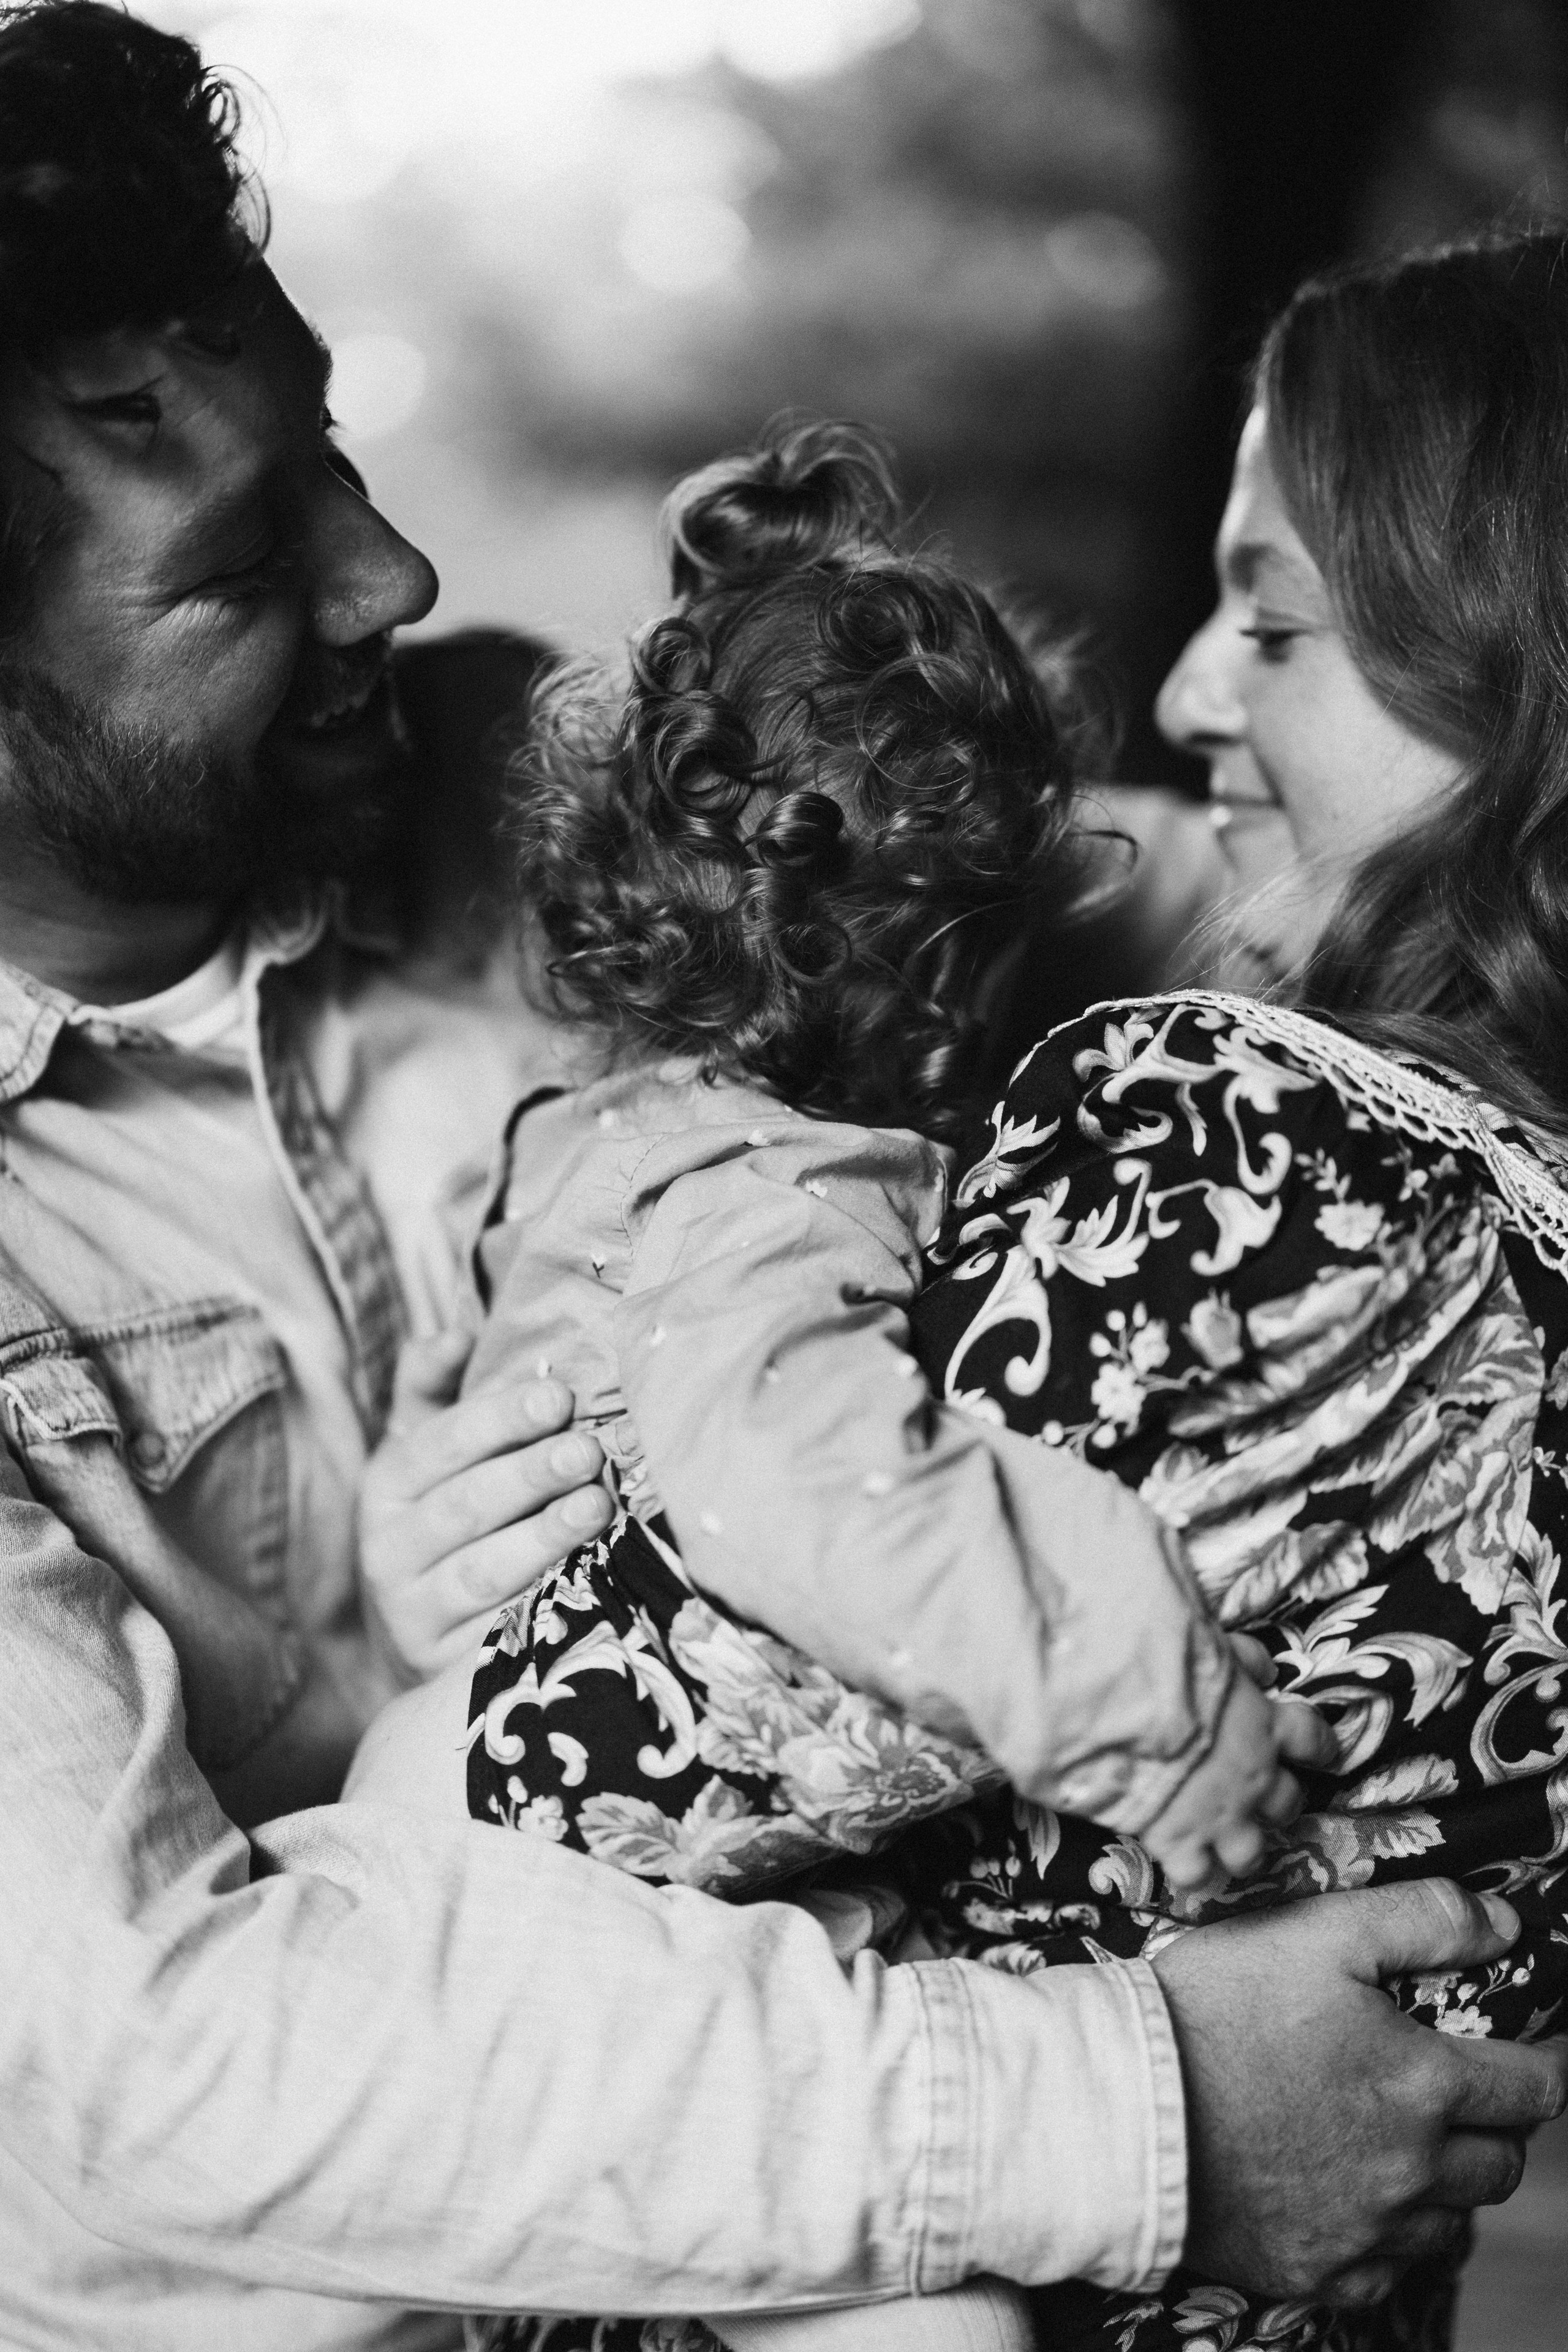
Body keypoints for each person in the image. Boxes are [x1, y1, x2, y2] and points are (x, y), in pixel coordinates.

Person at [0, 9, 1557, 2348]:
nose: (393, 576)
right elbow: (148, 2081)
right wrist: (1156, 2118)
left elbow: (1300, 897)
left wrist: (1482, 663)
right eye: (242, 567)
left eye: (331, 455)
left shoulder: (603, 793)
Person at [349, 230, 1568, 2352]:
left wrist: (434, 1651)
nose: (1192, 695)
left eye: (1269, 621)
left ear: (1516, 656)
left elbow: (577, 1758)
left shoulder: (1228, 1134)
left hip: (893, 2199)